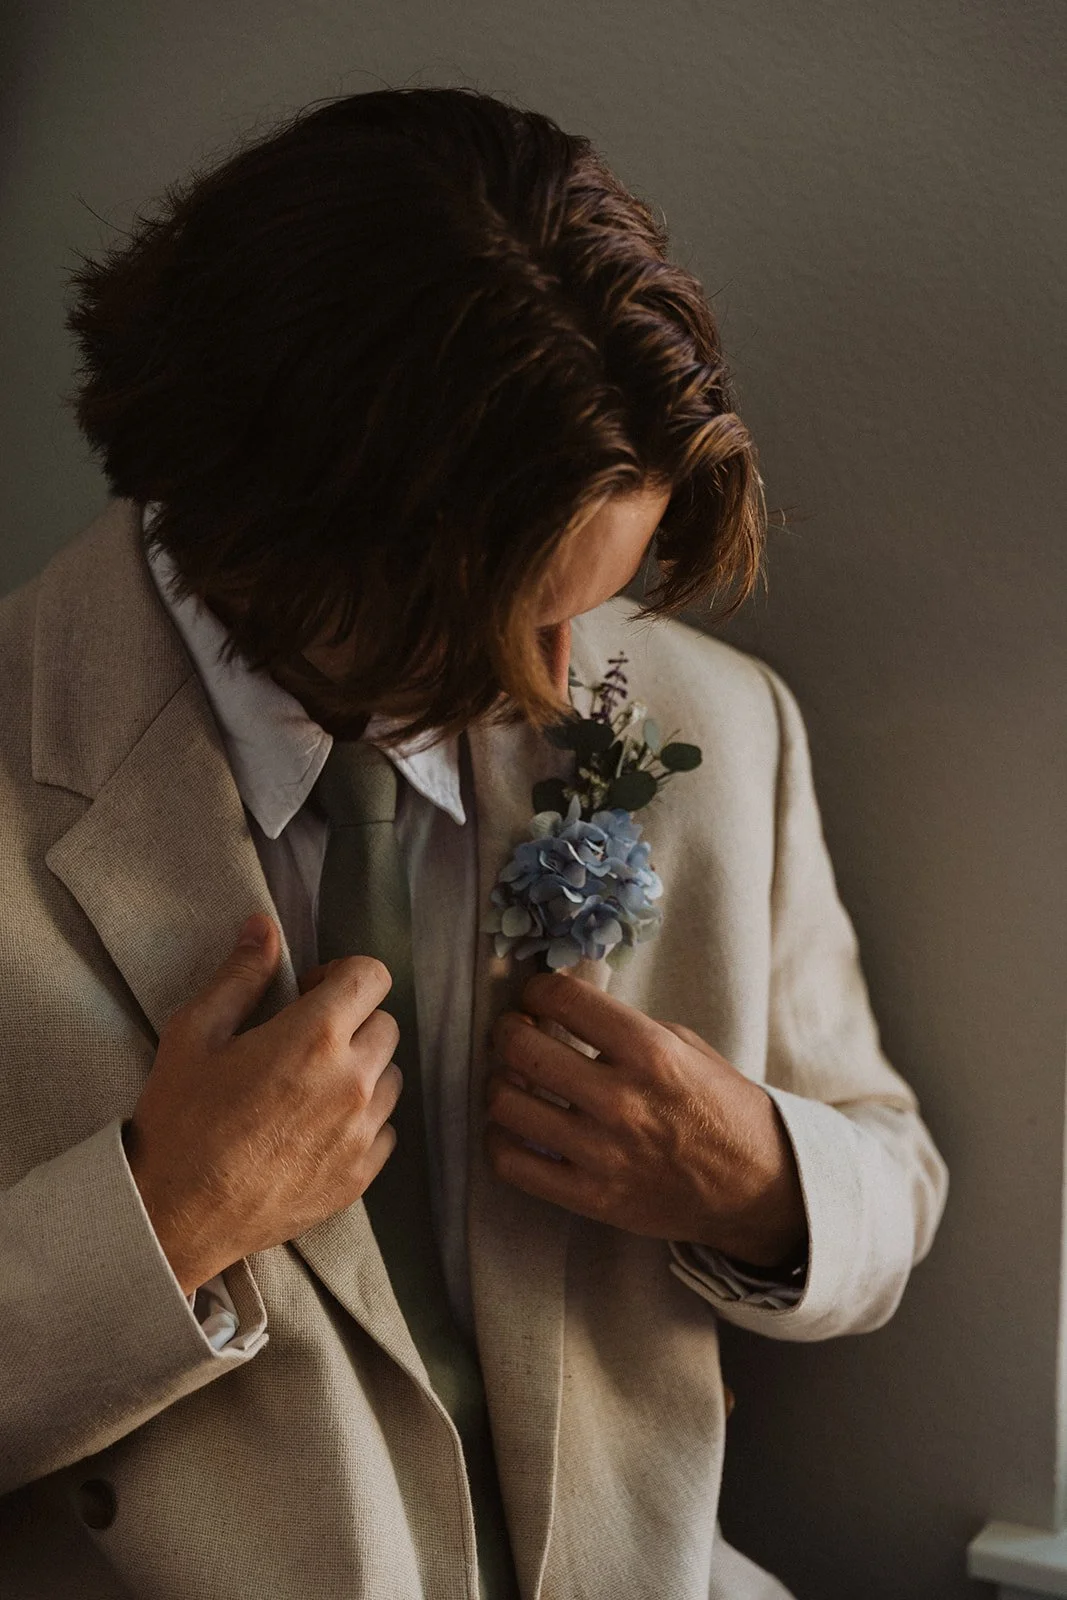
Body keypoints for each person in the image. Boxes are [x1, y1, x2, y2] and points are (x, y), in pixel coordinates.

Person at [0, 85, 948, 1599]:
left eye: (593, 601)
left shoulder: (718, 724)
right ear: (276, 528)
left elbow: (890, 1180)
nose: (567, 683)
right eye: (508, 617)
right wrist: (165, 1216)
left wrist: (752, 1176)